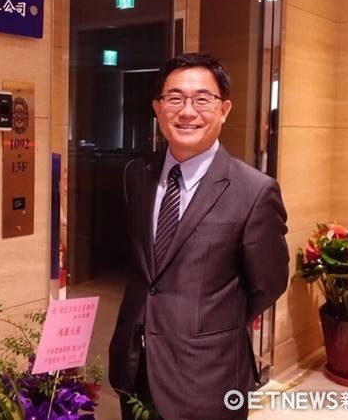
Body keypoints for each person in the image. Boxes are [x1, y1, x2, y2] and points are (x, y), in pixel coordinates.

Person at [109, 53, 289, 420]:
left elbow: (268, 284)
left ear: (224, 110)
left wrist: (209, 321)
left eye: (202, 99)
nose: (187, 111)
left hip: (208, 376)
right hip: (135, 366)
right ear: (158, 109)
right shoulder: (136, 174)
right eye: (174, 98)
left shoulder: (254, 191)